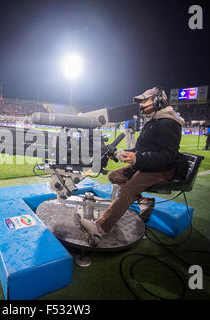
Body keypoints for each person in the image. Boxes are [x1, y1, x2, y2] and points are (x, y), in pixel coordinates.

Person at [77, 87, 184, 246]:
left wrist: (138, 158)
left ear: (158, 100)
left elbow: (167, 157)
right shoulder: (154, 120)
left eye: (144, 100)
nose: (141, 104)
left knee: (128, 189)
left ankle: (101, 228)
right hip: (149, 164)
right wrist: (122, 153)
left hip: (162, 168)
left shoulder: (168, 122)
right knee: (114, 176)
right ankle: (143, 201)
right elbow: (142, 149)